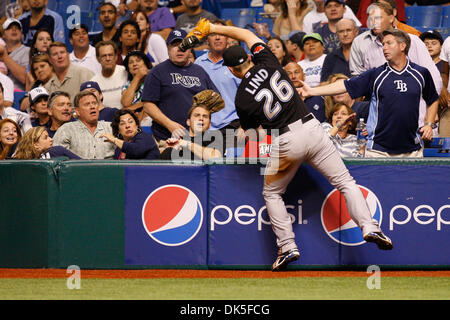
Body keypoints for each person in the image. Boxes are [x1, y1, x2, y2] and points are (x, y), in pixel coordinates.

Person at [183, 18, 393, 271]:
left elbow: (252, 133)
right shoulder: (268, 61)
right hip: (312, 128)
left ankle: (287, 246)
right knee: (346, 182)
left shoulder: (242, 98)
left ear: (230, 70)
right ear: (249, 58)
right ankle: (370, 226)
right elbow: (244, 33)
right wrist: (215, 29)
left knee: (271, 193)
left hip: (286, 140)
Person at [300, 29, 439, 158]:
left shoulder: (421, 73)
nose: (384, 48)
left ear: (402, 46)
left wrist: (429, 123)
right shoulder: (376, 74)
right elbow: (344, 85)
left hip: (412, 150)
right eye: (383, 44)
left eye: (389, 43)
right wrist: (312, 91)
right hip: (378, 150)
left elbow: (433, 99)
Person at [361, 3, 442, 127]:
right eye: (370, 19)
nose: (373, 22)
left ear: (392, 18)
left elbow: (432, 77)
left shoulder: (412, 41)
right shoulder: (369, 49)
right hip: (384, 124)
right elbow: (371, 88)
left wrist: (431, 110)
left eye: (378, 18)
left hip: (418, 120)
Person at [141, 29, 218, 145]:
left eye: (184, 45)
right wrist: (169, 124)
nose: (180, 49)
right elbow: (147, 105)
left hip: (198, 139)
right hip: (167, 138)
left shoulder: (200, 71)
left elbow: (215, 99)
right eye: (175, 45)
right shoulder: (157, 72)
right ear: (167, 48)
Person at [194, 19, 241, 136]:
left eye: (221, 34)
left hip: (233, 125)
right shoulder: (198, 63)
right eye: (213, 34)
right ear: (207, 40)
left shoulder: (237, 62)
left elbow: (248, 96)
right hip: (204, 127)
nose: (217, 38)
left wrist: (244, 124)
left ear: (227, 38)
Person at [53, 90, 116, 159]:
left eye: (94, 103)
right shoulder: (66, 130)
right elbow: (56, 157)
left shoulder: (111, 127)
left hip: (108, 168)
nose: (92, 107)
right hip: (78, 169)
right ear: (77, 111)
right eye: (87, 104)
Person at [91, 41, 128, 109]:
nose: (107, 59)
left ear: (116, 57)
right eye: (104, 56)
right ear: (98, 58)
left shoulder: (126, 72)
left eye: (110, 55)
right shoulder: (94, 82)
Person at [13, 126, 80, 159]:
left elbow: (82, 164)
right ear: (36, 144)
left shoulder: (58, 151)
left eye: (49, 137)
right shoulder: (57, 151)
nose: (51, 140)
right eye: (46, 138)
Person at [121, 50, 152, 124]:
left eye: (138, 61)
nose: (134, 64)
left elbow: (151, 101)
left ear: (145, 63)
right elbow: (125, 102)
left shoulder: (153, 78)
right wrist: (137, 77)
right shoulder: (127, 84)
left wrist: (130, 108)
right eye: (131, 62)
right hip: (133, 120)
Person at [0, 18, 29, 90]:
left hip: (17, 95)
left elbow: (25, 78)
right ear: (3, 35)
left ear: (22, 35)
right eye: (9, 28)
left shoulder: (28, 51)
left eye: (17, 28)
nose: (14, 30)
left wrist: (4, 56)